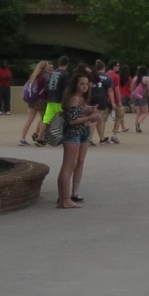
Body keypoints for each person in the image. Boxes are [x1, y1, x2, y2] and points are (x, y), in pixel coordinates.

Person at [55, 66, 100, 208]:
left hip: (82, 133)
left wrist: (88, 111)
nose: (85, 86)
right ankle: (64, 199)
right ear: (75, 84)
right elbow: (72, 120)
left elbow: (79, 114)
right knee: (68, 165)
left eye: (86, 84)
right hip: (73, 133)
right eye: (82, 84)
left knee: (78, 163)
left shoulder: (81, 98)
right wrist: (90, 118)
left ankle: (69, 196)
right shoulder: (73, 98)